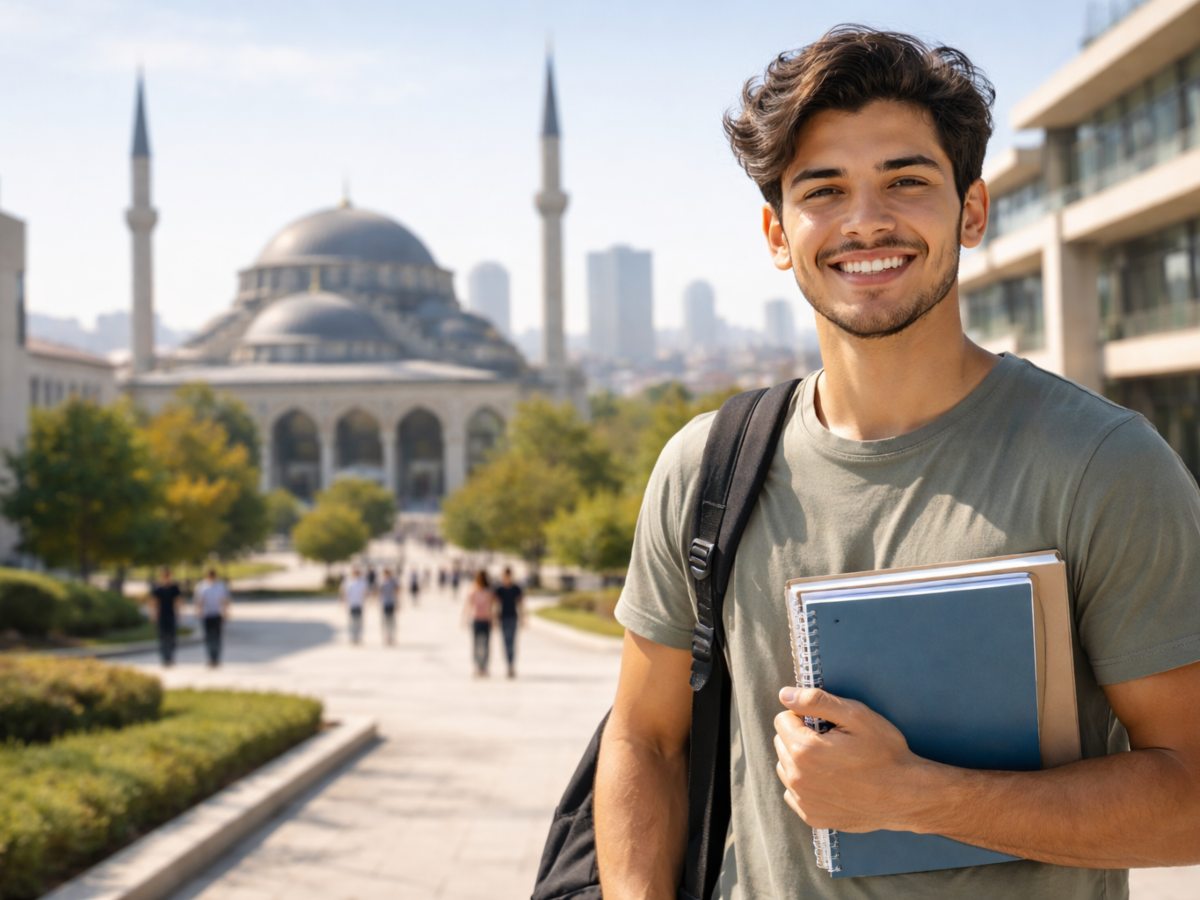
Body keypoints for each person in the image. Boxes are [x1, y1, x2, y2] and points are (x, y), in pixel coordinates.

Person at [594, 26, 1200, 900]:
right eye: (823, 190)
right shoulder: (707, 469)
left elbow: (1190, 793)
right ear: (777, 232)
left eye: (906, 182)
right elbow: (645, 740)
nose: (865, 221)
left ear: (973, 211)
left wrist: (916, 796)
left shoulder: (1103, 466)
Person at [193, 568, 231, 668]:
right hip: (206, 614)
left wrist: (225, 612)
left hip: (217, 614)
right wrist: (199, 611)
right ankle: (210, 658)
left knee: (217, 637)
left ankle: (216, 658)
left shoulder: (220, 586)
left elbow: (224, 600)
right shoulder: (202, 586)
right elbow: (199, 600)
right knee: (208, 637)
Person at [462, 570, 495, 677]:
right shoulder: (473, 591)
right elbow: (468, 605)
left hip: (486, 620)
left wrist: (493, 619)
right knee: (477, 644)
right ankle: (477, 665)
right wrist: (465, 618)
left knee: (485, 644)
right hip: (476, 620)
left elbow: (492, 607)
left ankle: (484, 666)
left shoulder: (489, 592)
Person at [493, 567, 525, 678]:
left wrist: (523, 618)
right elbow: (496, 605)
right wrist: (494, 619)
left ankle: (511, 665)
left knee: (512, 643)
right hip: (503, 618)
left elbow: (520, 604)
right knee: (506, 642)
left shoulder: (516, 588)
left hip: (513, 618)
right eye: (505, 576)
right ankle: (508, 664)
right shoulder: (499, 589)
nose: (506, 578)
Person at [149, 566, 182, 667]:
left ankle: (170, 657)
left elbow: (177, 602)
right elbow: (154, 602)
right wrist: (153, 615)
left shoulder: (174, 588)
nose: (166, 577)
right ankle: (164, 658)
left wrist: (178, 614)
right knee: (162, 637)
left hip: (171, 614)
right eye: (165, 576)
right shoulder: (158, 588)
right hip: (161, 615)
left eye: (168, 575)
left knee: (171, 637)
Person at [341, 566, 368, 645]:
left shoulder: (363, 582)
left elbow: (365, 592)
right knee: (352, 622)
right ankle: (353, 637)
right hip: (351, 604)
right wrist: (344, 602)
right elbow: (344, 593)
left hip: (359, 604)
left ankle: (358, 637)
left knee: (359, 622)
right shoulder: (348, 582)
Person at [379, 567, 400, 645]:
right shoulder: (382, 582)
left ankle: (391, 636)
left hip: (391, 603)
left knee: (392, 621)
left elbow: (397, 591)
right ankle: (387, 636)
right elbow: (380, 593)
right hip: (384, 603)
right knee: (385, 621)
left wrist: (397, 602)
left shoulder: (393, 582)